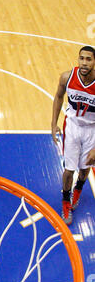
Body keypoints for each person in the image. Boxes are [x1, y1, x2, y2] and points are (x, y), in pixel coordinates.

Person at [51, 46, 95, 224]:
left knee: (85, 168)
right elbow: (58, 96)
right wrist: (53, 124)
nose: (84, 63)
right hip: (72, 126)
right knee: (69, 170)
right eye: (81, 58)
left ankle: (78, 190)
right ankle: (65, 201)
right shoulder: (67, 77)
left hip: (92, 129)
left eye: (88, 59)